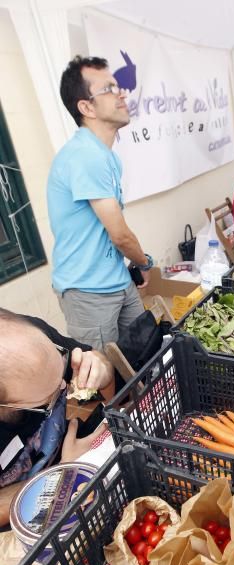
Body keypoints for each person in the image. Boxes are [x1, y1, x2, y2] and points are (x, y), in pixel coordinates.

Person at [47, 55, 154, 351]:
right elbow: (119, 234)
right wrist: (145, 261)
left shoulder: (106, 156)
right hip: (87, 291)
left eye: (118, 86)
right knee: (103, 378)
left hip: (117, 278)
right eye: (108, 88)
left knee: (146, 351)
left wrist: (135, 262)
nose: (121, 93)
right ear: (86, 107)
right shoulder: (85, 155)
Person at [0, 308, 114, 526]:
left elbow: (101, 366)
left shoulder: (32, 338)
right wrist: (61, 471)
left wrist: (100, 367)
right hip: (26, 514)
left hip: (74, 458)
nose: (64, 386)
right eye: (49, 398)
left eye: (61, 371)